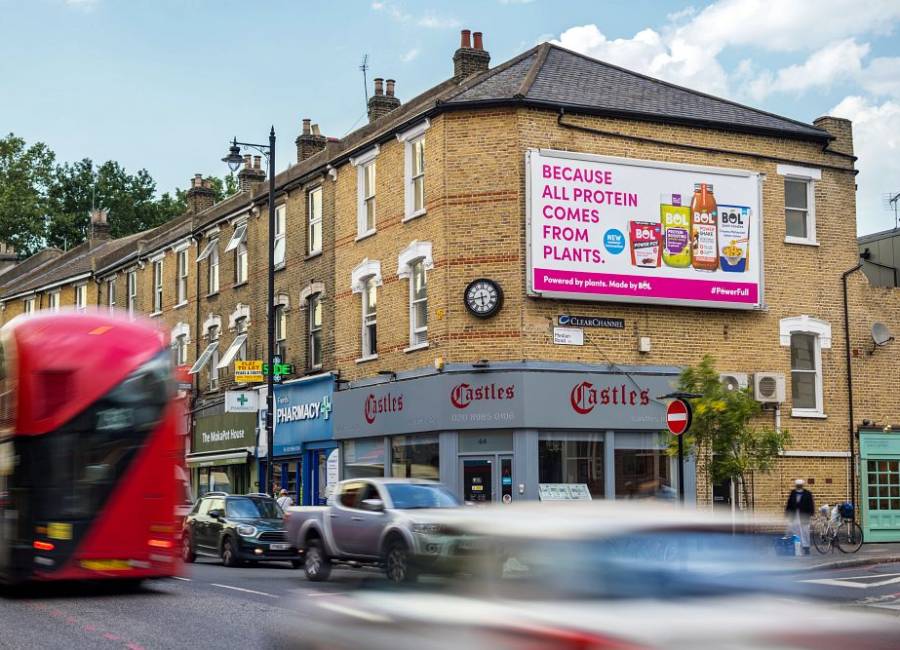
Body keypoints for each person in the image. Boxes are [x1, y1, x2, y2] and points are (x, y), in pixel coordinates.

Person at [785, 478, 815, 555]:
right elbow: (789, 504)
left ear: (802, 485)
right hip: (794, 515)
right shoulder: (793, 493)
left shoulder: (807, 493)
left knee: (805, 532)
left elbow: (811, 504)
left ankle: (806, 547)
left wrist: (811, 513)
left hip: (804, 515)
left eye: (800, 485)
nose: (798, 486)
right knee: (795, 531)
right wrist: (787, 514)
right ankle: (797, 547)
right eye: (797, 485)